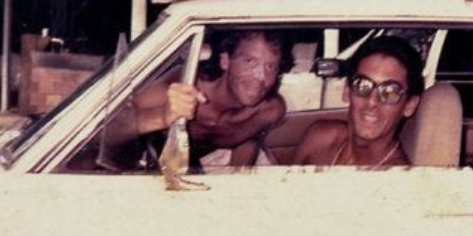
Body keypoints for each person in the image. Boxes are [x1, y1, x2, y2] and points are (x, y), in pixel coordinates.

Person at [135, 29, 292, 167]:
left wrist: (235, 180)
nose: (261, 77)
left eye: (270, 66)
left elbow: (249, 141)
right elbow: (122, 117)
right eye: (249, 61)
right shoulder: (182, 86)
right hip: (170, 159)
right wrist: (161, 117)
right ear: (225, 61)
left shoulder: (270, 110)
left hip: (227, 160)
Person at [293, 36, 423, 167]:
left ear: (409, 105)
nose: (372, 102)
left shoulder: (399, 176)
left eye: (390, 92)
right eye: (363, 85)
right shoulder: (319, 138)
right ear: (347, 90)